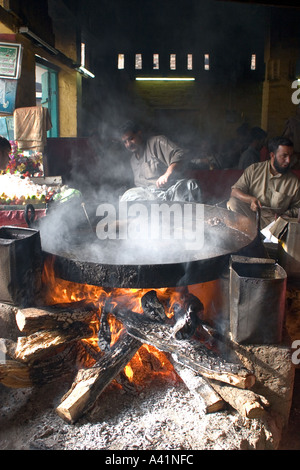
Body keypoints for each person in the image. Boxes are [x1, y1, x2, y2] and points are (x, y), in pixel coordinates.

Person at [118, 121, 202, 202]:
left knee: (190, 186)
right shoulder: (132, 160)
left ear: (139, 134)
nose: (128, 144)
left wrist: (167, 173)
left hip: (169, 192)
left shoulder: (157, 142)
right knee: (127, 196)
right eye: (125, 142)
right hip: (148, 198)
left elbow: (180, 154)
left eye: (131, 139)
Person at [227, 136, 300, 229]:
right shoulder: (254, 170)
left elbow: (297, 208)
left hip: (275, 223)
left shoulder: (293, 181)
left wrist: (286, 215)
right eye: (284, 156)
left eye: (290, 156)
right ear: (272, 155)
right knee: (233, 203)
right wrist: (250, 199)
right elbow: (234, 191)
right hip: (251, 218)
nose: (288, 160)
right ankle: (250, 233)